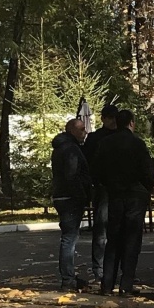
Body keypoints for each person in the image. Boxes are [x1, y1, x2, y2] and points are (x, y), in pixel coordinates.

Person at [97, 106, 154, 297]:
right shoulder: (137, 144)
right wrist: (145, 188)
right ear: (131, 123)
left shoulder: (105, 144)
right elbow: (148, 171)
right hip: (135, 195)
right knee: (132, 239)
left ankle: (107, 284)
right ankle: (126, 284)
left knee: (113, 239)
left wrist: (109, 184)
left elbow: (97, 169)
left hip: (115, 194)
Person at [49, 114, 93, 291]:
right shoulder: (71, 149)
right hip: (70, 198)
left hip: (61, 195)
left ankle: (69, 275)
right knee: (69, 238)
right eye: (82, 129)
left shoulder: (60, 147)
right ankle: (67, 278)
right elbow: (72, 175)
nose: (85, 132)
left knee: (70, 237)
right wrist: (83, 194)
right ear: (72, 130)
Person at [81, 104, 118, 288]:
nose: (112, 121)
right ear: (103, 118)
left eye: (114, 117)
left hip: (119, 188)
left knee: (118, 230)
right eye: (109, 117)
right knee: (101, 230)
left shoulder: (122, 137)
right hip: (103, 188)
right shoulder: (94, 139)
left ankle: (116, 270)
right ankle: (100, 270)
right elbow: (87, 163)